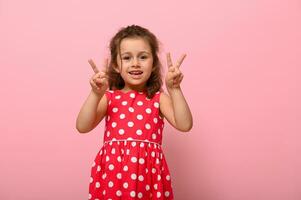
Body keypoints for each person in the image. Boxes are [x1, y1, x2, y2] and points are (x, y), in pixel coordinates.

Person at [76, 24, 193, 200]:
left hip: (148, 177)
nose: (135, 63)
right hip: (113, 177)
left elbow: (185, 125)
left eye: (143, 57)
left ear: (153, 63)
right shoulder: (109, 98)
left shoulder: (158, 99)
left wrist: (174, 89)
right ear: (116, 65)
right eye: (127, 58)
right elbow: (82, 126)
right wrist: (95, 94)